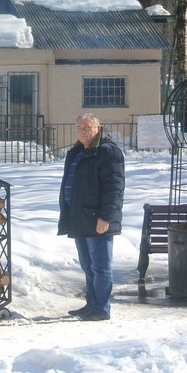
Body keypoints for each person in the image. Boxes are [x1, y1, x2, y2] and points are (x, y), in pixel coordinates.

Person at [57, 113, 125, 321]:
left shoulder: (108, 152)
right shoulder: (76, 151)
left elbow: (114, 188)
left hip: (98, 219)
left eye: (87, 127)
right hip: (79, 217)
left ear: (98, 127)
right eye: (79, 128)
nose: (83, 131)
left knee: (101, 266)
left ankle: (101, 309)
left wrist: (105, 217)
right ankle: (91, 304)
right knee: (87, 265)